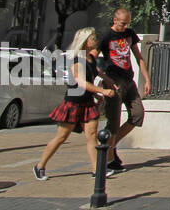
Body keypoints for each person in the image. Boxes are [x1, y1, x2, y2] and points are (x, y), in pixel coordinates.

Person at [35, 28, 118, 180]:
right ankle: (40, 166)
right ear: (86, 41)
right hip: (73, 103)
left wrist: (106, 81)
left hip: (87, 103)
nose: (96, 40)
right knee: (61, 137)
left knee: (92, 135)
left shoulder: (90, 59)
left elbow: (95, 72)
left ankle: (96, 170)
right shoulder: (76, 60)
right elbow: (81, 82)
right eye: (93, 38)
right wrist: (102, 91)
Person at [101, 8, 151, 172]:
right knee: (113, 122)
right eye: (122, 23)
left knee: (137, 114)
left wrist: (146, 79)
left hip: (129, 81)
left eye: (127, 23)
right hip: (114, 81)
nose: (125, 26)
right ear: (115, 20)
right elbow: (91, 57)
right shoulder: (106, 37)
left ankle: (110, 146)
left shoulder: (129, 34)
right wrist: (103, 80)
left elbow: (138, 57)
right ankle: (108, 161)